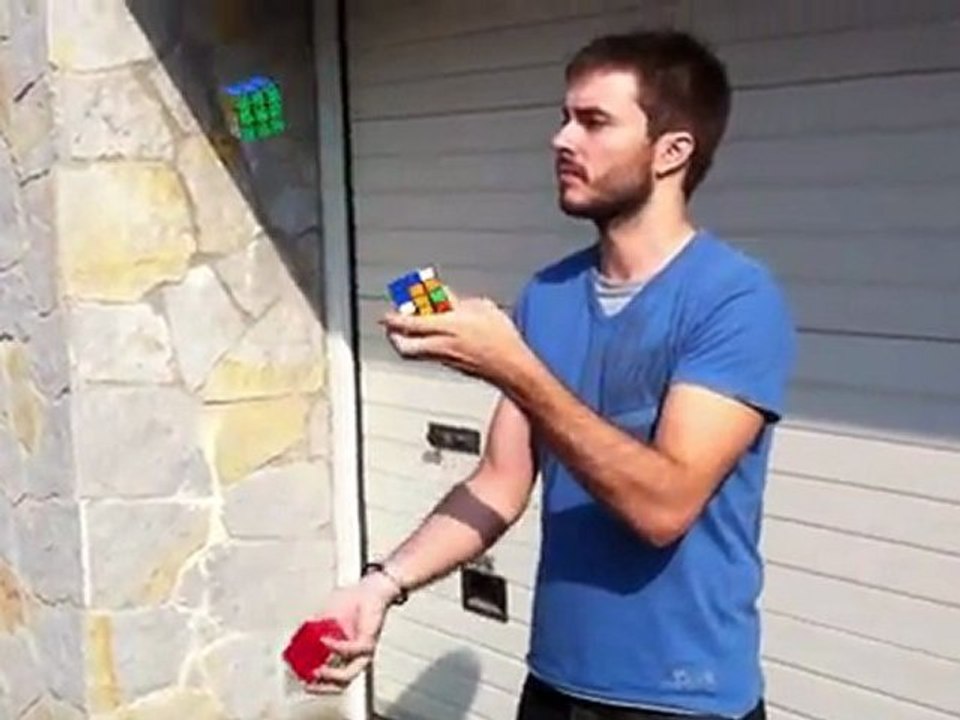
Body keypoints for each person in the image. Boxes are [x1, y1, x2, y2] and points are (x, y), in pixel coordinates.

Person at [309, 29, 795, 720]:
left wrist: (512, 365)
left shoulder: (735, 299)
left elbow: (664, 508)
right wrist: (380, 585)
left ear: (672, 151)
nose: (561, 139)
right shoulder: (549, 294)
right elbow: (498, 483)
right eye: (565, 117)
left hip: (684, 699)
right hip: (554, 687)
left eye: (594, 121)